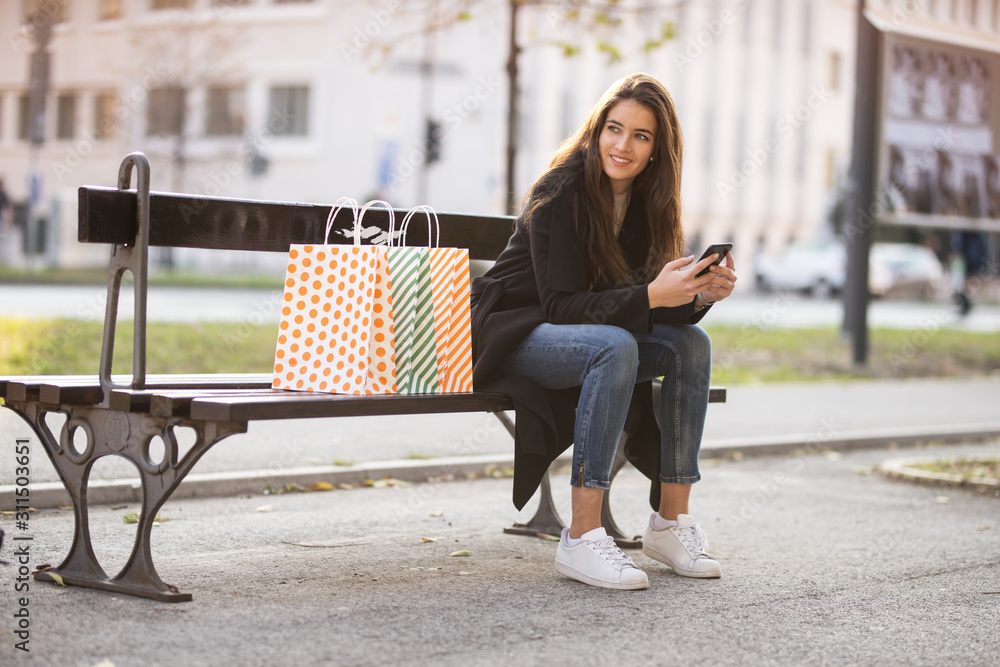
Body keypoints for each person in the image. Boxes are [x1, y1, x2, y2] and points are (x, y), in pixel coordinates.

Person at [470, 73, 737, 590]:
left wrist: (698, 295)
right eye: (614, 129)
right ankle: (582, 537)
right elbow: (564, 305)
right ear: (595, 132)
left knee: (690, 346)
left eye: (641, 135)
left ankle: (670, 523)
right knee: (613, 348)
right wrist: (651, 296)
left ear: (659, 149)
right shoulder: (561, 192)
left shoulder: (646, 203)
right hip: (514, 330)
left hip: (581, 334)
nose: (623, 145)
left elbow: (643, 307)